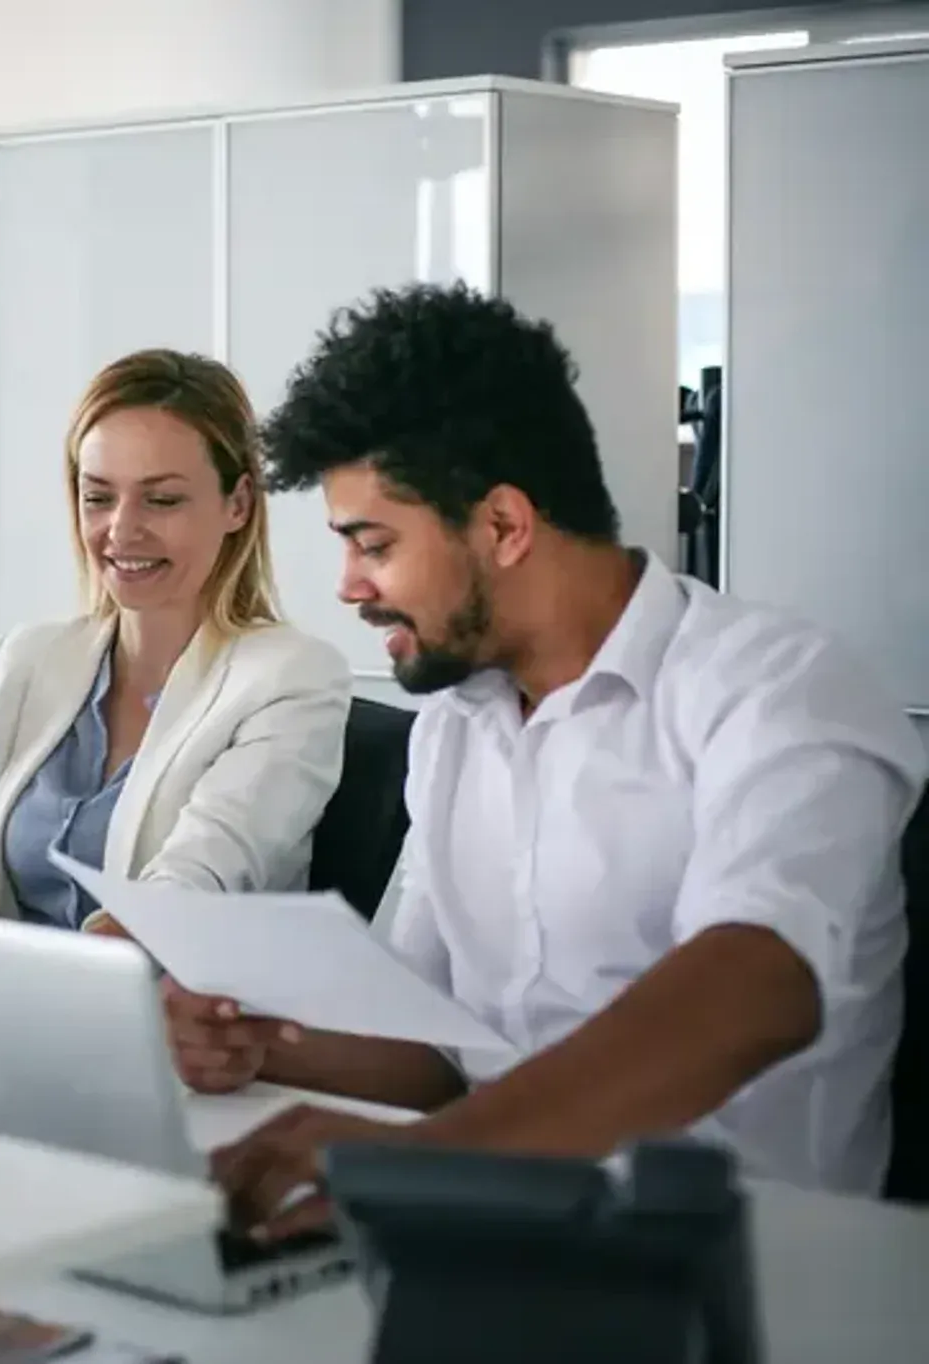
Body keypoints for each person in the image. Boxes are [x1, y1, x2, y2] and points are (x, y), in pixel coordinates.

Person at [179, 282, 925, 1240]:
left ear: (503, 526)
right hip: (494, 1235)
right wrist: (254, 1042)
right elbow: (435, 1047)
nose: (350, 586)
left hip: (745, 1265)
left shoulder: (779, 688)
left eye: (375, 544)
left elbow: (752, 991)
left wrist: (429, 1161)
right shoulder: (456, 726)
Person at [0, 349, 351, 927]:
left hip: (159, 985)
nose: (121, 530)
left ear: (238, 504)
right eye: (98, 497)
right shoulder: (28, 660)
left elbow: (192, 885)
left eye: (162, 500)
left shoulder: (290, 676)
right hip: (8, 984)